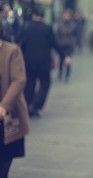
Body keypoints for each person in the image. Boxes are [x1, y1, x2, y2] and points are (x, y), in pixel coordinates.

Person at [19, 7, 70, 117]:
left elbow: (21, 44)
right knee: (45, 83)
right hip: (43, 62)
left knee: (29, 84)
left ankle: (27, 106)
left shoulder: (26, 27)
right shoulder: (47, 28)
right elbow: (55, 44)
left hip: (29, 62)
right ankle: (35, 105)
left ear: (33, 16)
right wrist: (64, 56)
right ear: (43, 16)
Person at [0, 21, 30, 178]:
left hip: (7, 117)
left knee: (3, 163)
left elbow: (19, 80)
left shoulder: (12, 51)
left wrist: (3, 107)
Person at [56, 9, 76, 83]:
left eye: (68, 15)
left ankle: (67, 75)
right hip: (62, 44)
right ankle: (60, 73)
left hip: (69, 45)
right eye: (65, 15)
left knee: (68, 61)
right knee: (61, 60)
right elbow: (57, 34)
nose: (66, 16)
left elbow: (74, 34)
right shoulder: (60, 24)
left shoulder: (72, 25)